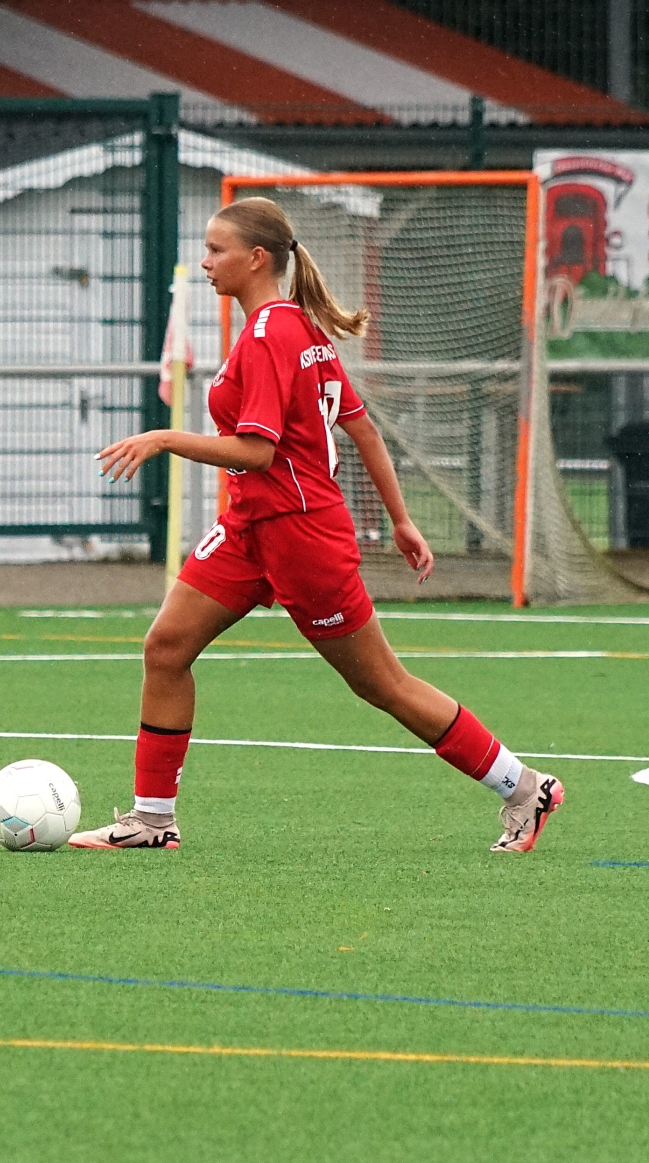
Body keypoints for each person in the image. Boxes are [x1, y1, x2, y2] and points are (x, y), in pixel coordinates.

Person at [69, 197, 563, 853]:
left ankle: (525, 788)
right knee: (165, 648)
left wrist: (164, 438)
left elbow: (258, 451)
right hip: (251, 527)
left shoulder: (273, 335)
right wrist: (401, 520)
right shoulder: (293, 328)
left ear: (257, 258)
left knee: (381, 684)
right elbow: (362, 430)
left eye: (216, 250)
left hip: (301, 535)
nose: (206, 262)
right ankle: (153, 820)